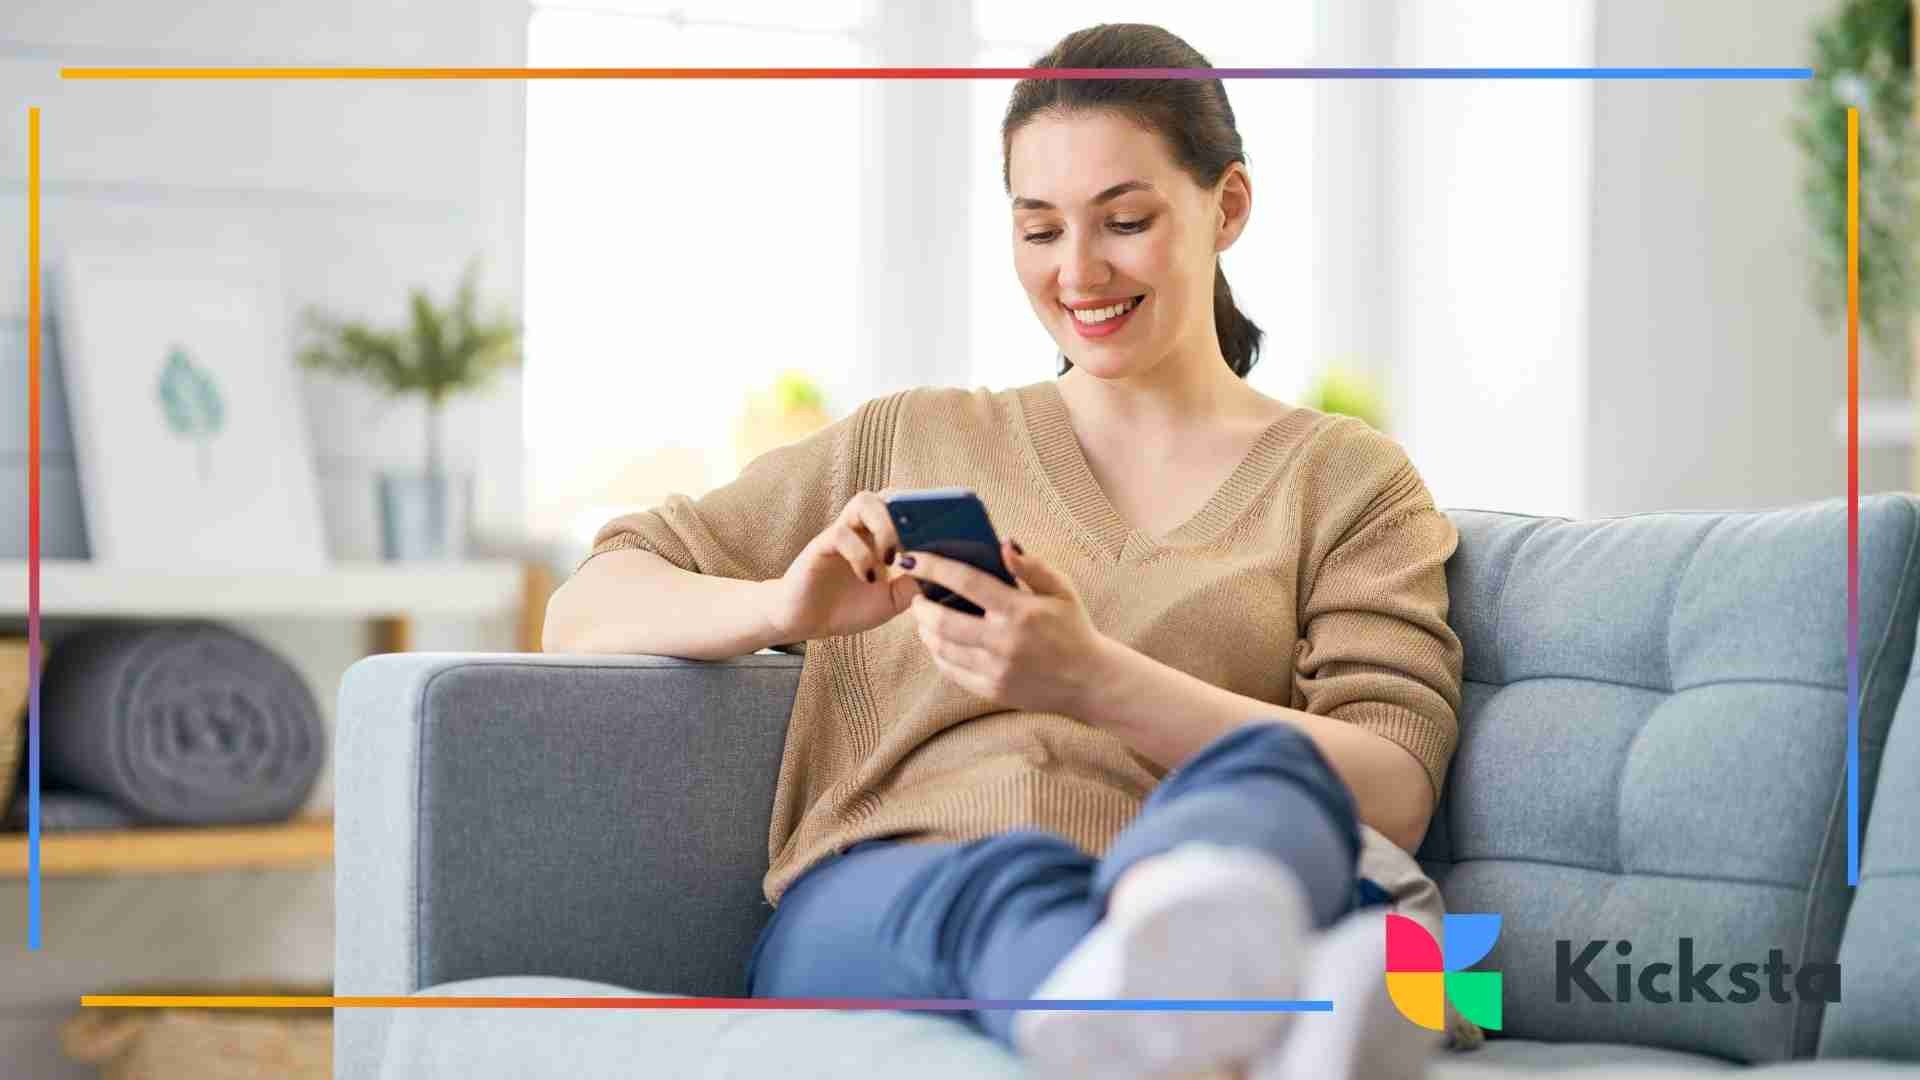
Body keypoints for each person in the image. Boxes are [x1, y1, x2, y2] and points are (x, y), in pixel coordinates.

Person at [543, 22, 1464, 1080]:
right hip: (899, 894)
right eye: (1040, 230)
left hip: (1172, 872)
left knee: (1269, 769)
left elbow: (1391, 786)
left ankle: (1187, 987)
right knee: (1008, 883)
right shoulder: (911, 438)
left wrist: (1091, 680)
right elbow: (585, 604)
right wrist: (780, 607)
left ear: (1229, 207)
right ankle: (1230, 1003)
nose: (1079, 272)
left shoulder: (1346, 479)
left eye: (1125, 221)